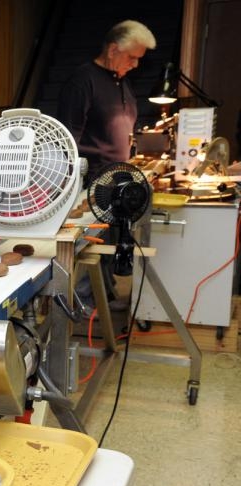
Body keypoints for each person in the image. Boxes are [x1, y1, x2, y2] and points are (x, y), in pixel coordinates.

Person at [56, 20, 156, 308]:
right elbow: (67, 136)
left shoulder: (121, 81)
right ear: (113, 50)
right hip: (92, 179)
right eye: (132, 57)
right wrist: (67, 184)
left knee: (111, 240)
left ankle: (104, 296)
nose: (136, 64)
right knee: (92, 244)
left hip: (117, 177)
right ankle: (85, 303)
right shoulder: (83, 81)